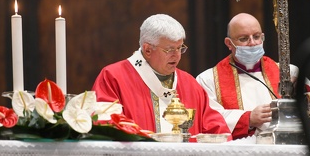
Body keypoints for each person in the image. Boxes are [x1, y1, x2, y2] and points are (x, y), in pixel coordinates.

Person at [92, 14, 231, 139]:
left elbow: (217, 130)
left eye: (180, 48)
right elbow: (105, 125)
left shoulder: (189, 84)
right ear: (147, 50)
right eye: (170, 49)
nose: (176, 55)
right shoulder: (113, 77)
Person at [196, 13, 310, 140]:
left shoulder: (288, 72)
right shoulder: (209, 79)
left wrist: (301, 93)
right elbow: (209, 119)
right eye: (244, 38)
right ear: (229, 43)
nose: (252, 43)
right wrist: (248, 119)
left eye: (257, 37)